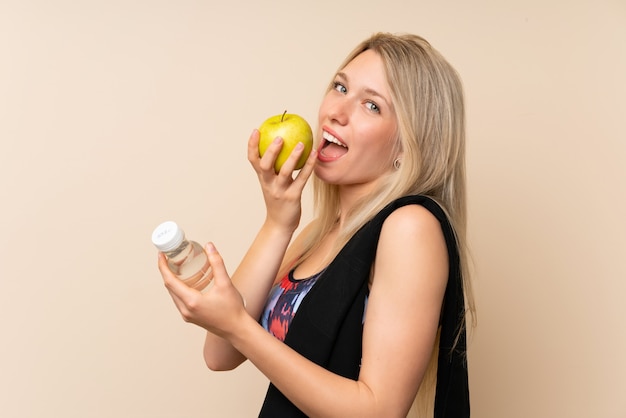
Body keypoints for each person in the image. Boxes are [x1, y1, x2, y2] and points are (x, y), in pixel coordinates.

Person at [158, 32, 476, 418]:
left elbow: (380, 410)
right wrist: (277, 223)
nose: (336, 112)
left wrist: (239, 326)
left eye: (371, 106)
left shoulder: (410, 227)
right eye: (340, 87)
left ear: (408, 145)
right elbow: (220, 353)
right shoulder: (316, 235)